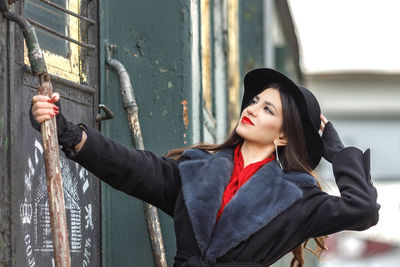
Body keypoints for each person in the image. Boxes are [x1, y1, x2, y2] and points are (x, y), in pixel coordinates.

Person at [30, 68, 379, 267]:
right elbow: (132, 168)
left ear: (285, 136)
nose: (253, 109)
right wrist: (68, 132)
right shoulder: (196, 171)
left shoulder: (299, 200)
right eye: (255, 101)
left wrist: (338, 152)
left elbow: (361, 209)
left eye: (268, 110)